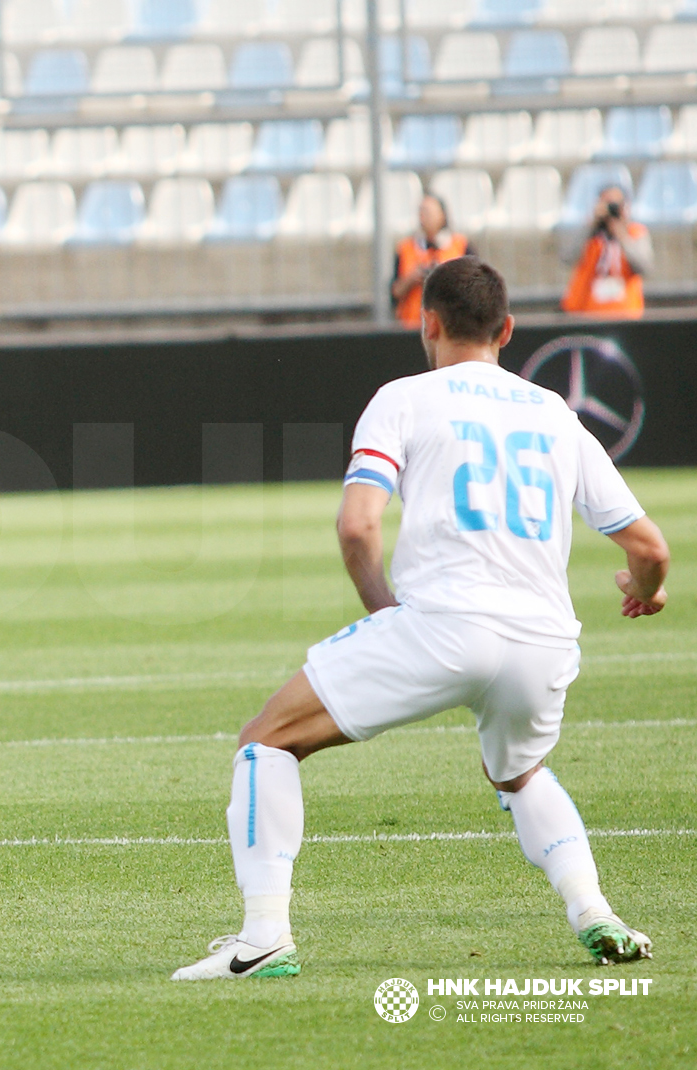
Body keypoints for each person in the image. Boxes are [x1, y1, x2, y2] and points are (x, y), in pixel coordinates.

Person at [173, 257, 668, 981]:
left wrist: (388, 617)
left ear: (426, 322)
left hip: (442, 625)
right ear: (507, 329)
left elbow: (356, 529)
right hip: (544, 641)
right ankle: (594, 911)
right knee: (521, 773)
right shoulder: (555, 414)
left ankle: (263, 938)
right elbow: (649, 548)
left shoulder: (404, 397)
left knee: (265, 743)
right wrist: (645, 589)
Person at [561, 184, 651, 319]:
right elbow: (567, 258)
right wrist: (591, 226)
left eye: (615, 204)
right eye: (606, 203)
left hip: (625, 313)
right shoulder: (589, 233)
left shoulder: (635, 233)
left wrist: (621, 235)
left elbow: (644, 267)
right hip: (585, 313)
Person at [390, 194, 472, 328]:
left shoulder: (461, 246)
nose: (423, 217)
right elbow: (394, 292)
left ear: (442, 215)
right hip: (412, 326)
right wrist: (411, 278)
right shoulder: (405, 248)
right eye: (421, 212)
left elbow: (474, 291)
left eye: (428, 212)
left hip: (454, 328)